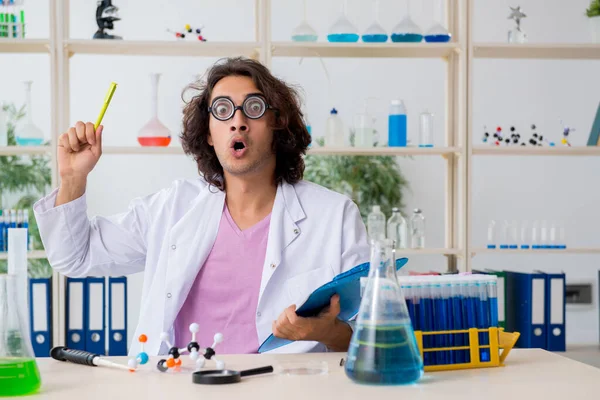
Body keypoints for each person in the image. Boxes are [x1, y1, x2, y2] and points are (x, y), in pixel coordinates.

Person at [33, 57, 370, 357]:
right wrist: (73, 178)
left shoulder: (334, 216)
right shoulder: (172, 208)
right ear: (209, 133)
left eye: (254, 108)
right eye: (222, 111)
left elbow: (374, 338)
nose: (237, 122)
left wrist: (329, 333)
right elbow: (74, 258)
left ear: (277, 124)